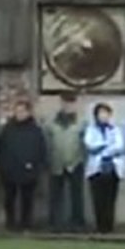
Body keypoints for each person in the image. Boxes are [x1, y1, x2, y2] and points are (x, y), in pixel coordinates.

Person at [0, 99, 48, 232]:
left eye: (23, 111)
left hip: (29, 171)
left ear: (28, 112)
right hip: (10, 171)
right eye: (17, 111)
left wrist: (37, 167)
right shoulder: (8, 129)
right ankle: (10, 223)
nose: (20, 114)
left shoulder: (35, 130)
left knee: (27, 200)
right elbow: (1, 150)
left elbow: (41, 150)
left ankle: (26, 224)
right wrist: (1, 167)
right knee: (9, 199)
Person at [45, 93, 87, 232]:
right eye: (65, 102)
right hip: (56, 163)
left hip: (75, 162)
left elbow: (85, 143)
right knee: (55, 196)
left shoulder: (82, 122)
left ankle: (77, 223)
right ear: (61, 103)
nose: (68, 106)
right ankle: (55, 223)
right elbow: (47, 142)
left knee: (76, 195)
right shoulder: (51, 122)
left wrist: (82, 160)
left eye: (71, 103)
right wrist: (48, 160)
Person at [83, 102, 125, 234]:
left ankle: (109, 226)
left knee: (110, 198)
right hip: (96, 169)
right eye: (101, 113)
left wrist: (104, 148)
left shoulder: (115, 129)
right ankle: (99, 226)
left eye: (106, 113)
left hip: (113, 168)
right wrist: (106, 145)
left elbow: (119, 146)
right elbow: (90, 145)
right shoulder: (91, 129)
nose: (104, 116)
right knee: (98, 199)